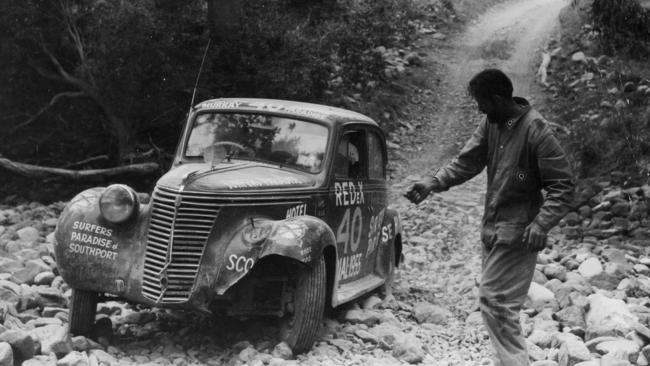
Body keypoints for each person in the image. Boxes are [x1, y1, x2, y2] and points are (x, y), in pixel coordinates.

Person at [405, 69, 574, 366]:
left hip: (519, 235)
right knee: (500, 308)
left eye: (481, 102)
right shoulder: (492, 123)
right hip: (493, 231)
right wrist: (434, 182)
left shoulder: (537, 131)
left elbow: (563, 186)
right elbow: (467, 161)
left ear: (497, 99)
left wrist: (541, 223)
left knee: (494, 302)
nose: (479, 109)